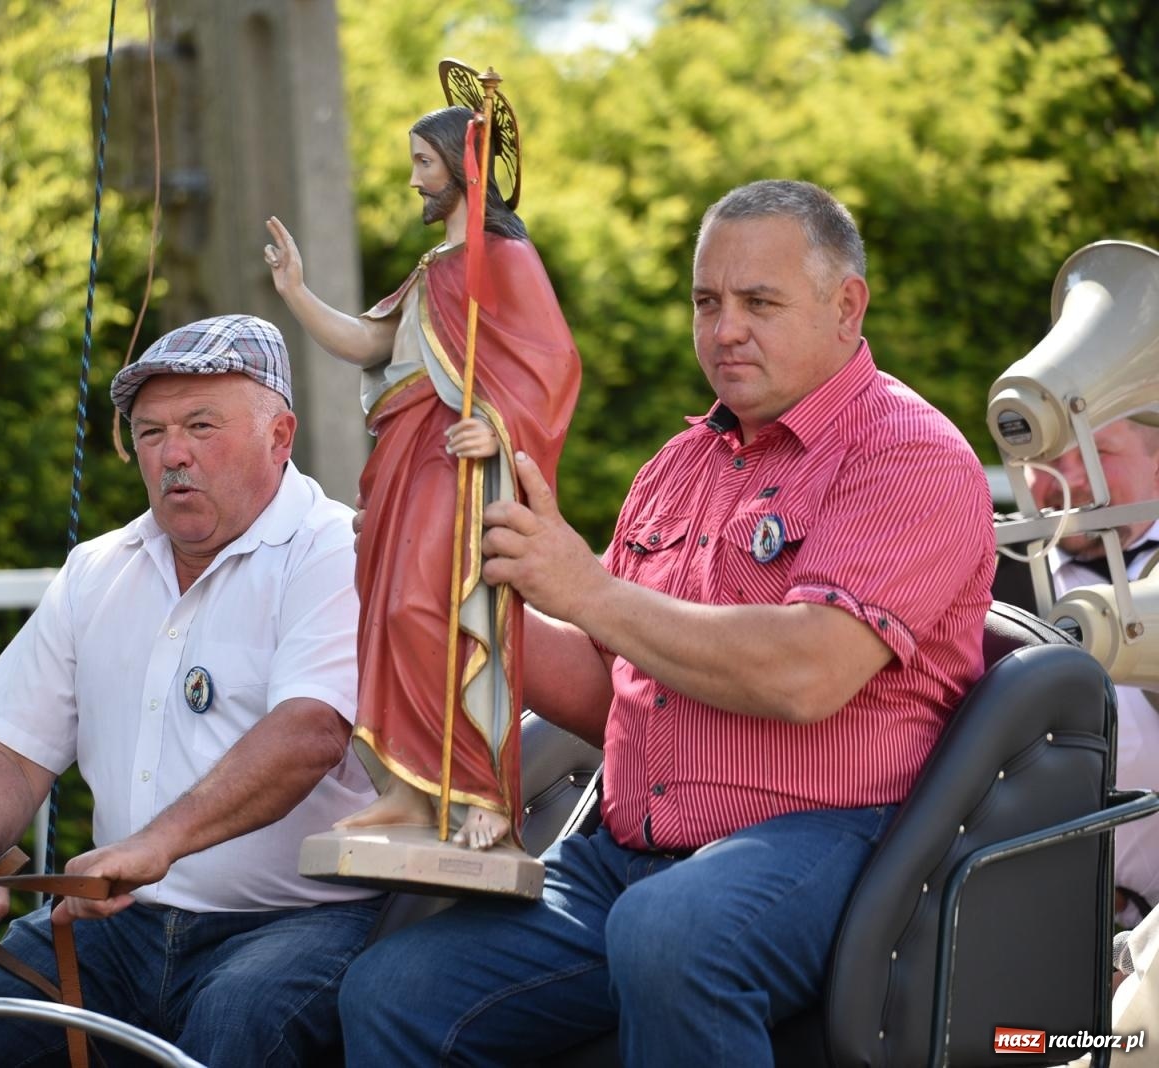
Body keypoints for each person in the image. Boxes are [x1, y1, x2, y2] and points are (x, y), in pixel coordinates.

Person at [338, 179, 998, 1064]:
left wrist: (585, 590)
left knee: (670, 927)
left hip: (845, 842)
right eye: (706, 301)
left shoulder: (907, 452)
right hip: (628, 854)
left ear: (848, 307)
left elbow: (807, 674)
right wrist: (447, 593)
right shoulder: (678, 464)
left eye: (759, 302)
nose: (725, 330)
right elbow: (612, 686)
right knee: (392, 994)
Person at [0, 314, 383, 1066]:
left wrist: (155, 843)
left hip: (296, 920)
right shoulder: (99, 568)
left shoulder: (334, 550)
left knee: (235, 1025)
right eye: (150, 433)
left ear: (280, 435)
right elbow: (13, 753)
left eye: (201, 425)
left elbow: (310, 732)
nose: (173, 455)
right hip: (114, 930)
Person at [265, 104, 581, 850]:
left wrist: (497, 423)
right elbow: (376, 342)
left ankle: (483, 789)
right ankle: (412, 793)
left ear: (462, 166)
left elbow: (554, 366)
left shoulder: (501, 257)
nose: (413, 180)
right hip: (409, 456)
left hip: (457, 458)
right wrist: (298, 295)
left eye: (424, 164)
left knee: (435, 606)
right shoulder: (437, 267)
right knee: (387, 610)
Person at [1024, 414, 1159, 928]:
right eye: (1046, 458)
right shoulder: (985, 576)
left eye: (1100, 452)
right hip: (1029, 921)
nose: (1072, 479)